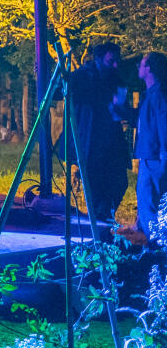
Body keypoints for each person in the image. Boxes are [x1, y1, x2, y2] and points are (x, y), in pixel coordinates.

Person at [66, 40, 129, 225]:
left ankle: (103, 215)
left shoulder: (115, 78)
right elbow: (63, 92)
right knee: (94, 182)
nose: (116, 65)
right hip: (90, 138)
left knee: (119, 181)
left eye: (117, 60)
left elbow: (121, 105)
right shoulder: (82, 76)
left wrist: (121, 110)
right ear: (99, 59)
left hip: (112, 138)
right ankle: (98, 222)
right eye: (111, 61)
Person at [135, 52, 167, 236]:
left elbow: (163, 124)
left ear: (149, 69)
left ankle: (156, 248)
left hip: (154, 157)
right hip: (150, 155)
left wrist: (164, 153)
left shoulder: (158, 94)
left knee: (149, 201)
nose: (139, 67)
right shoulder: (152, 94)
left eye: (142, 63)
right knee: (149, 200)